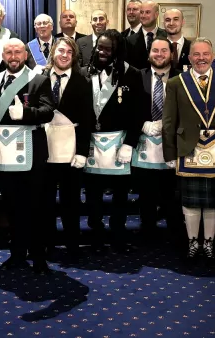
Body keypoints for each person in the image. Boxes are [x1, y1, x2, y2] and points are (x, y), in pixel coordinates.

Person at [0, 38, 55, 273]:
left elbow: (48, 112)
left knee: (35, 207)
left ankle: (38, 256)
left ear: (25, 55)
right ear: (3, 56)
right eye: (9, 52)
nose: (14, 56)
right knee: (12, 207)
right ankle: (16, 254)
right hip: (3, 154)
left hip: (31, 154)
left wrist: (26, 113)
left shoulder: (39, 80)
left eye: (18, 52)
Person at [163, 38, 215, 259]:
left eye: (206, 54)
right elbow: (169, 121)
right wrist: (170, 153)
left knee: (213, 201)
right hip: (187, 149)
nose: (201, 58)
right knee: (190, 201)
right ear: (189, 57)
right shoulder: (176, 82)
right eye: (196, 54)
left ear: (212, 55)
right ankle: (192, 241)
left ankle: (209, 242)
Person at [81, 29, 144, 252]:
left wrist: (130, 144)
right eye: (99, 46)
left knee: (119, 195)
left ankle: (118, 233)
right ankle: (96, 232)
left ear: (117, 50)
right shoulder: (84, 72)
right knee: (93, 195)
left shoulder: (132, 74)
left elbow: (139, 114)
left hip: (119, 143)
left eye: (108, 48)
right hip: (91, 143)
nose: (102, 51)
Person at [39, 36, 94, 259]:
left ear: (74, 57)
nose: (64, 55)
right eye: (61, 51)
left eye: (69, 53)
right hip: (45, 150)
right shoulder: (41, 78)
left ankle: (72, 245)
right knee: (46, 201)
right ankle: (48, 244)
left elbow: (88, 119)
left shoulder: (83, 82)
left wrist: (82, 152)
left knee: (71, 202)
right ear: (53, 53)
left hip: (71, 151)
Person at [131, 35, 180, 243]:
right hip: (144, 143)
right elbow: (127, 107)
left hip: (173, 146)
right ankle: (148, 232)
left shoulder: (181, 78)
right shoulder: (136, 76)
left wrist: (170, 126)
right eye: (155, 51)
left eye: (164, 51)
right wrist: (141, 122)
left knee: (171, 194)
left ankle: (175, 235)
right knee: (146, 193)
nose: (159, 55)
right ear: (149, 53)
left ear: (171, 54)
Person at [125, 1, 163, 70]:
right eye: (141, 12)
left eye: (147, 12)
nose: (143, 16)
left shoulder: (166, 36)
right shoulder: (129, 40)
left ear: (156, 15)